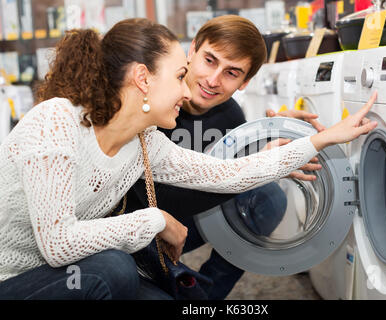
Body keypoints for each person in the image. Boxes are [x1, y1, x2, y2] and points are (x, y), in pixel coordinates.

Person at [0, 18, 377, 300]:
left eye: (230, 73)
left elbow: (228, 175)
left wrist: (322, 139)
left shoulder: (146, 141)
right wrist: (155, 220)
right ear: (143, 79)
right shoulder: (56, 121)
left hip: (76, 269)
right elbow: (58, 244)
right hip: (17, 277)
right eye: (182, 75)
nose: (191, 88)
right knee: (113, 268)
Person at [122, 16, 362, 300]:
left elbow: (222, 170)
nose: (213, 80)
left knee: (268, 198)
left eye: (231, 73)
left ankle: (204, 295)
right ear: (192, 51)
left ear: (245, 82)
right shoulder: (154, 101)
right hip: (131, 225)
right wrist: (258, 168)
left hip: (181, 220)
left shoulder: (230, 116)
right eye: (210, 60)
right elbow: (145, 194)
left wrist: (268, 140)